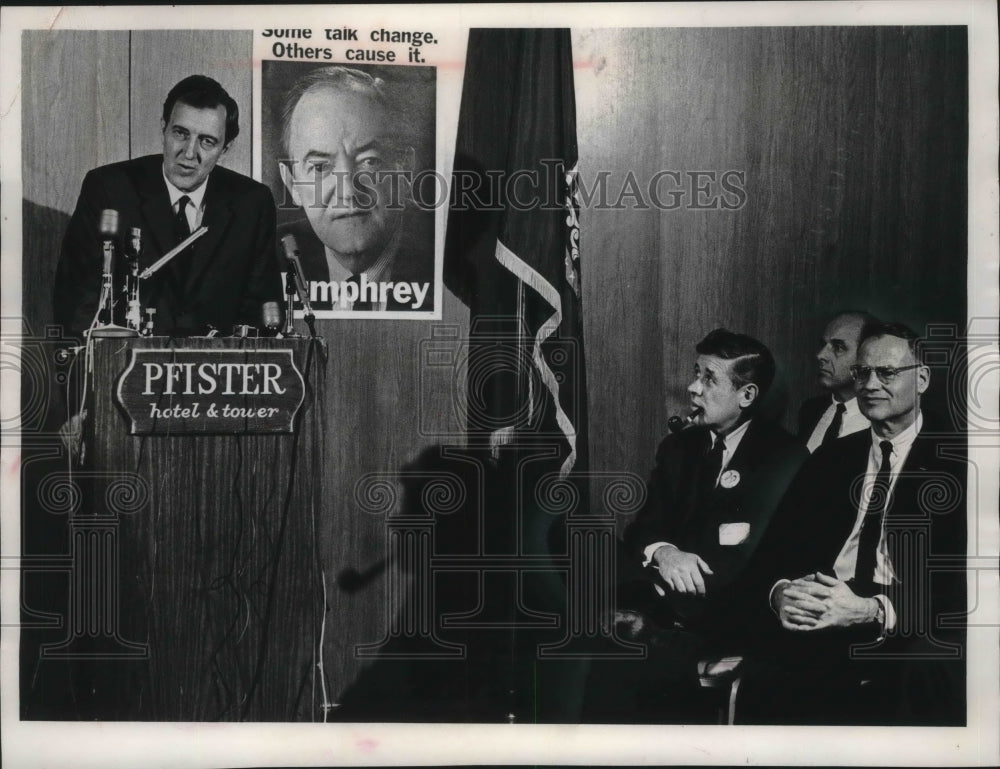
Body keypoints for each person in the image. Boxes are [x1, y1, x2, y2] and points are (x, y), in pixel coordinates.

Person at [738, 322, 966, 725]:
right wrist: (780, 594)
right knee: (765, 662)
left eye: (888, 373)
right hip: (825, 609)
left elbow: (960, 588)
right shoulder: (831, 460)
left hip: (902, 619)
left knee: (924, 664)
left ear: (923, 379)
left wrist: (873, 610)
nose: (870, 384)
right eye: (862, 373)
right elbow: (772, 556)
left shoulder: (960, 465)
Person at [585, 329, 806, 722]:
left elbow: (752, 563)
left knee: (622, 664)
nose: (692, 388)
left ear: (747, 396)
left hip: (721, 619)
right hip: (658, 608)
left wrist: (670, 582)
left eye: (708, 378)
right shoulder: (679, 448)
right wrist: (665, 552)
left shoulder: (784, 458)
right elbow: (642, 531)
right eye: (695, 373)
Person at [54, 75, 281, 338]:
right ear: (164, 127)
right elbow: (76, 300)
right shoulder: (109, 189)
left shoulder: (252, 203)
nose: (188, 153)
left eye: (207, 141)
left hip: (217, 371)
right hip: (124, 368)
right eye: (180, 133)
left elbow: (263, 310)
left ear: (226, 148)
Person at [277, 65, 434, 312]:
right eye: (319, 167)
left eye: (369, 161)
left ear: (405, 169)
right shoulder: (265, 261)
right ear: (292, 184)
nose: (349, 191)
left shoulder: (444, 262)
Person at [799, 310, 880, 452]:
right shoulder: (810, 409)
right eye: (823, 345)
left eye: (838, 347)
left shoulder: (882, 419)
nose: (820, 355)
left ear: (869, 356)